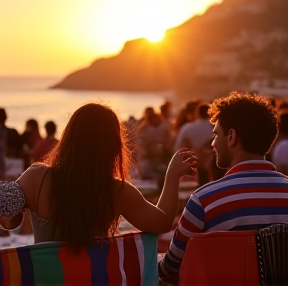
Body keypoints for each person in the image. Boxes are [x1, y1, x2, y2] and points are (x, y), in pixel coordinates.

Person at [0, 103, 198, 251]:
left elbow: (8, 220)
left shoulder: (36, 178)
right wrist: (172, 175)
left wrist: (18, 204)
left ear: (68, 138)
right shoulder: (117, 191)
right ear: (112, 147)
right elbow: (162, 223)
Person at [158, 92, 288, 285]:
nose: (212, 144)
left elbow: (169, 271)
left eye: (216, 134)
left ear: (231, 137)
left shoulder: (205, 200)